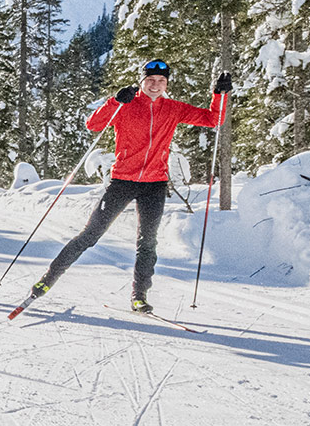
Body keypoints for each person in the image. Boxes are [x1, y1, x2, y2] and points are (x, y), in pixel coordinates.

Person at [27, 60, 230, 313]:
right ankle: (47, 280)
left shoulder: (173, 108)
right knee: (90, 234)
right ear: (141, 81)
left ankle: (139, 296)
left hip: (154, 185)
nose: (155, 85)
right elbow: (94, 125)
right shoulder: (126, 105)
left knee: (147, 242)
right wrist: (114, 100)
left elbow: (213, 119)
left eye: (161, 81)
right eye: (150, 80)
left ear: (166, 84)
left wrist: (220, 94)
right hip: (122, 181)